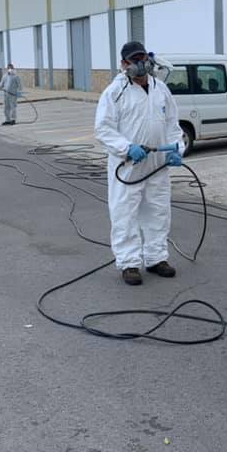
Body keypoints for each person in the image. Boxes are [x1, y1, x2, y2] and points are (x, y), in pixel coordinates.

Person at [95, 41, 184, 285]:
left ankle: (156, 258)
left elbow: (172, 124)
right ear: (124, 64)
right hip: (129, 166)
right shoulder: (115, 91)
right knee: (125, 213)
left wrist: (178, 149)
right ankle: (129, 263)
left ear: (148, 58)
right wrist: (126, 148)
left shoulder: (161, 89)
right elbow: (103, 128)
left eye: (141, 58)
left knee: (158, 211)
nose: (138, 64)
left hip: (157, 164)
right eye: (132, 60)